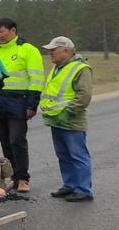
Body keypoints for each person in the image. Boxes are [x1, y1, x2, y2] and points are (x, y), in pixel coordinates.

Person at [0, 18, 44, 195]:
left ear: (13, 30)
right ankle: (13, 178)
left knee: (17, 141)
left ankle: (23, 179)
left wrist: (32, 103)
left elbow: (36, 78)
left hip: (19, 102)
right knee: (5, 142)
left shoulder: (27, 50)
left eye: (1, 31)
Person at [39, 36, 94, 202]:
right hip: (57, 120)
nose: (50, 53)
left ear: (66, 50)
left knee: (77, 155)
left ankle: (83, 189)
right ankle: (69, 185)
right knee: (63, 155)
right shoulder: (58, 68)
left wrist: (69, 112)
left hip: (71, 120)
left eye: (53, 50)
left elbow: (84, 95)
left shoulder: (81, 68)